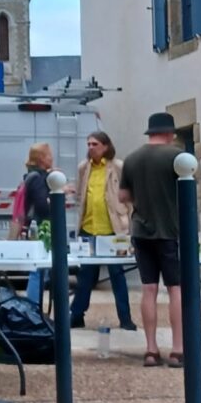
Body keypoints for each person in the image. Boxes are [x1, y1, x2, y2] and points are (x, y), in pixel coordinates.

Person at [119, 112, 183, 367]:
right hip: (170, 229)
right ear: (169, 133)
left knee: (148, 289)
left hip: (141, 230)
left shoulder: (132, 159)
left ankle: (151, 349)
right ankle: (178, 349)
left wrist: (143, 198)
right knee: (176, 290)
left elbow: (123, 195)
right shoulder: (177, 157)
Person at [69, 131, 136, 331]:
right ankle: (77, 314)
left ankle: (125, 318)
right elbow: (80, 194)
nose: (90, 147)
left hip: (112, 230)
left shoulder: (118, 166)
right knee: (85, 276)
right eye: (88, 144)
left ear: (105, 146)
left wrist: (128, 223)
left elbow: (128, 196)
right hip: (88, 228)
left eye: (95, 144)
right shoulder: (84, 168)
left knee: (117, 274)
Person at [22, 143, 54, 305]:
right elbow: (43, 205)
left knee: (40, 271)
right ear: (41, 158)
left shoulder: (33, 175)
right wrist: (57, 195)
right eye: (49, 155)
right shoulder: (38, 178)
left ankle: (35, 308)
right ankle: (33, 309)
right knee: (38, 270)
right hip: (41, 229)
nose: (52, 158)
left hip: (38, 228)